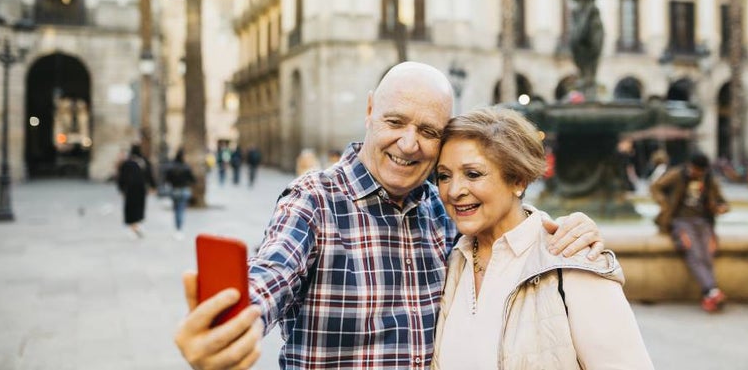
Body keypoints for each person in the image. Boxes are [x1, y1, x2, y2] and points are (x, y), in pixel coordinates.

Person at [174, 62, 606, 370]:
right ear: (369, 111)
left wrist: (566, 228)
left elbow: (503, 215)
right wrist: (229, 329)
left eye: (428, 132)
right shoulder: (313, 201)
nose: (408, 143)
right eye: (395, 121)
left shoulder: (441, 207)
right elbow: (268, 277)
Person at [433, 106, 653, 369]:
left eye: (473, 174)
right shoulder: (454, 259)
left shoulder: (572, 258)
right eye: (444, 176)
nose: (454, 190)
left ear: (518, 180)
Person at [650, 152, 730, 312]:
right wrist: (664, 204)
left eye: (701, 171)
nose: (698, 174)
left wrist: (720, 208)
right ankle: (711, 290)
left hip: (704, 222)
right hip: (681, 221)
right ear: (690, 166)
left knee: (707, 254)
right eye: (696, 170)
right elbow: (655, 187)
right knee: (692, 251)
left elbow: (723, 201)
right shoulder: (677, 174)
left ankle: (710, 293)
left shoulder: (708, 179)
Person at [116, 144, 156, 238]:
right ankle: (136, 226)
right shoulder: (144, 162)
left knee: (130, 208)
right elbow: (149, 175)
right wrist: (153, 186)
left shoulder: (127, 163)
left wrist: (121, 189)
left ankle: (133, 226)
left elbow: (122, 177)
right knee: (139, 207)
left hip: (130, 189)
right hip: (141, 188)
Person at [165, 148, 196, 240]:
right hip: (183, 190)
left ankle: (177, 228)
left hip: (174, 191)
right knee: (181, 210)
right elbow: (192, 179)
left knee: (176, 210)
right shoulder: (186, 167)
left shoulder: (171, 167)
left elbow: (167, 179)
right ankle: (179, 229)